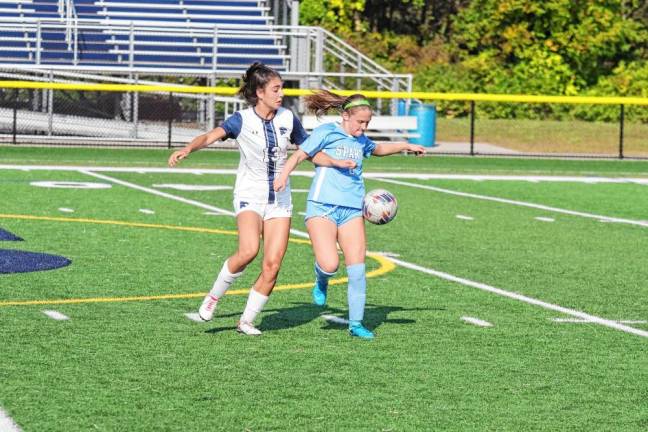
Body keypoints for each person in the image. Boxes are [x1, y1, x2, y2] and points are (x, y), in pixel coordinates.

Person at [168, 64, 352, 336]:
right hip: (249, 195)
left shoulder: (288, 118)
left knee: (273, 264)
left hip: (280, 199)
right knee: (248, 250)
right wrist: (188, 148)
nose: (281, 94)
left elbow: (309, 152)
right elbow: (209, 136)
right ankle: (213, 298)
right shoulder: (240, 120)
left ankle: (246, 321)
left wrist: (335, 162)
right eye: (276, 89)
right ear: (259, 92)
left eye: (282, 89)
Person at [274, 90, 426, 340]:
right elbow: (301, 154)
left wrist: (406, 146)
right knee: (330, 264)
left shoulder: (361, 139)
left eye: (367, 123)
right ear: (346, 116)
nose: (363, 127)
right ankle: (321, 277)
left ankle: (356, 324)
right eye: (360, 122)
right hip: (322, 206)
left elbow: (377, 148)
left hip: (353, 210)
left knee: (357, 269)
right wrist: (282, 176)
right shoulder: (327, 132)